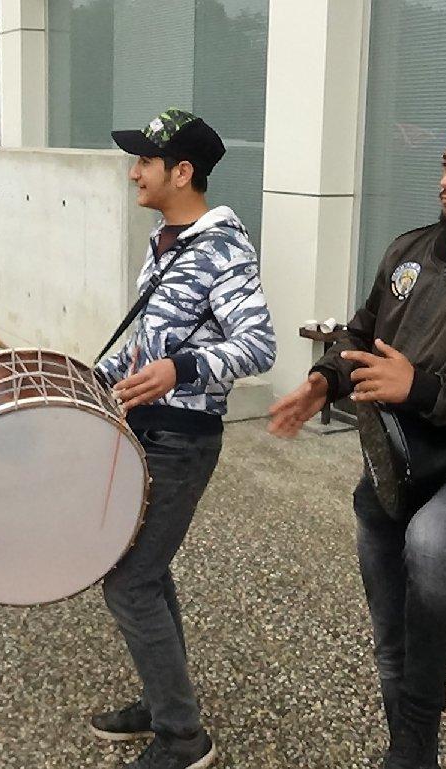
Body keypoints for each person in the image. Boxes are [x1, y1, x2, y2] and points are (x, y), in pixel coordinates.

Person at [269, 111, 446, 769]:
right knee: (390, 626)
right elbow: (357, 334)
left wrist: (420, 388)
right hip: (391, 466)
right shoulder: (408, 251)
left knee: (430, 545)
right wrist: (324, 381)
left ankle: (416, 732)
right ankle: (410, 746)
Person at [93, 109, 276, 769]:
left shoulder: (222, 247)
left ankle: (181, 736)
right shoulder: (165, 239)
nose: (133, 172)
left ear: (181, 171)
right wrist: (92, 378)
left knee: (128, 580)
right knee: (146, 570)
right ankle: (161, 698)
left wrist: (182, 369)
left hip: (182, 438)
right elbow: (149, 342)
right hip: (147, 428)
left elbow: (259, 344)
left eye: (145, 160)